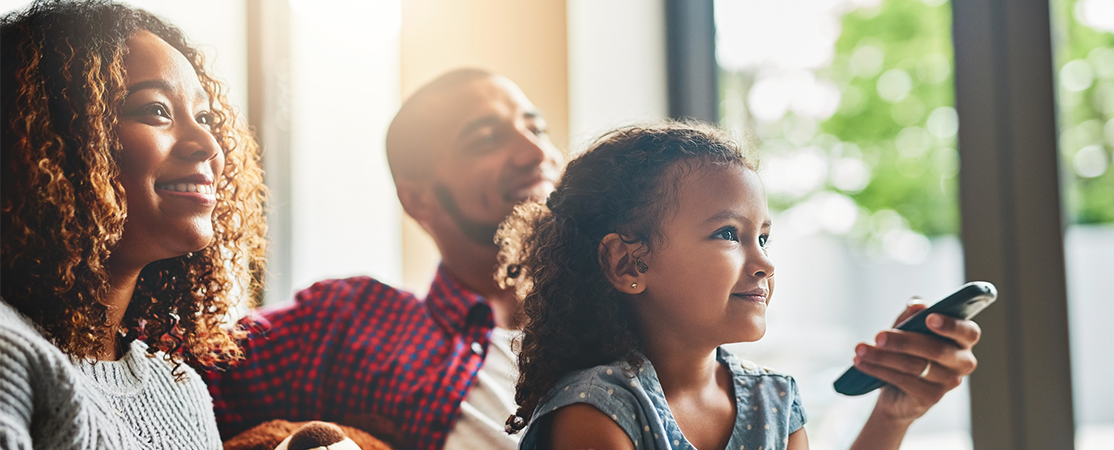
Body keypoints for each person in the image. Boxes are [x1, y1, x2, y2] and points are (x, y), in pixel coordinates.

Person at [495, 122, 982, 450]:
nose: (765, 263)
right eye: (728, 234)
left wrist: (892, 415)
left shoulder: (774, 397)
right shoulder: (597, 414)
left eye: (764, 237)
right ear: (628, 263)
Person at [201, 68, 563, 450]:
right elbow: (166, 368)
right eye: (485, 140)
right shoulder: (347, 323)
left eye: (536, 130)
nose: (536, 153)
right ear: (418, 198)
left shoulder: (619, 313)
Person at [0, 0, 267, 448]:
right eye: (156, 111)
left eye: (204, 117)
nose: (206, 143)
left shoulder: (181, 393)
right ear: (49, 144)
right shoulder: (11, 355)